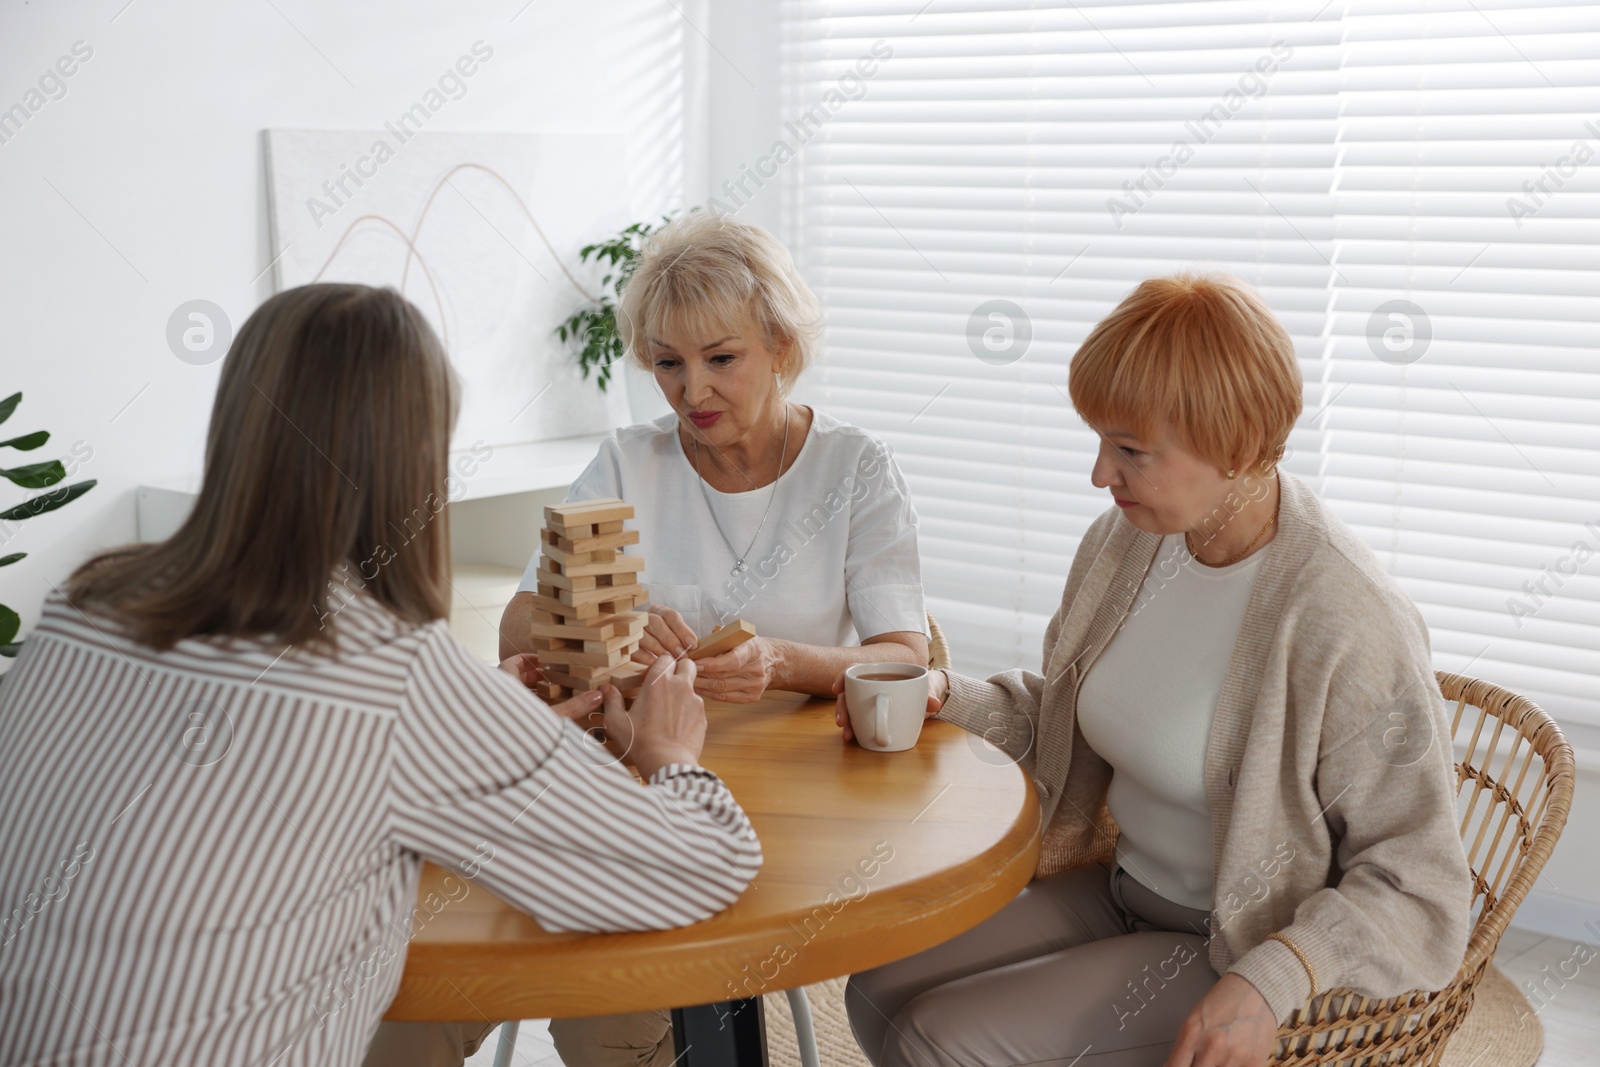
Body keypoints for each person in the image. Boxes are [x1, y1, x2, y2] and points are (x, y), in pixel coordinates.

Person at [0, 284, 762, 1067]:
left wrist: (478, 718)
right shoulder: (394, 676)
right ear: (415, 462)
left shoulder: (89, 603)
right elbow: (701, 867)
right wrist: (670, 755)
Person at [833, 272, 1473, 1067]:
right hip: (1122, 890)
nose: (1100, 475)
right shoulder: (1126, 543)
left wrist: (1275, 976)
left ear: (1236, 448)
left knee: (942, 1040)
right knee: (877, 983)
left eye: (1131, 451)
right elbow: (1066, 719)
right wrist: (940, 694)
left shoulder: (1344, 618)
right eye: (1100, 441)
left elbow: (1420, 885)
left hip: (1235, 943)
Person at [496, 211, 929, 1065]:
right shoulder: (628, 460)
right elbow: (516, 623)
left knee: (647, 973)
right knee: (602, 1000)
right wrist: (609, 628)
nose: (691, 391)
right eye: (667, 363)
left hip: (797, 806)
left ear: (779, 344)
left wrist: (782, 663)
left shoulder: (854, 467)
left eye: (720, 358)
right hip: (639, 790)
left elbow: (907, 659)